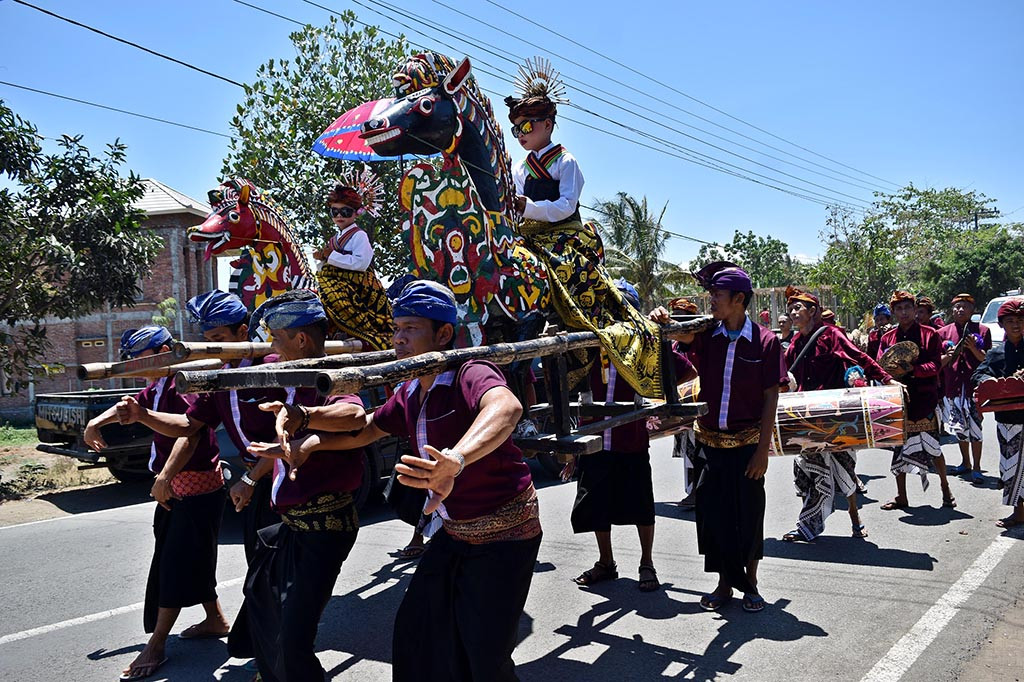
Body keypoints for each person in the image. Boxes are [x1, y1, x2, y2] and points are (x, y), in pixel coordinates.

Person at [266, 280, 541, 680]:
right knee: (415, 635)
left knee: (486, 656)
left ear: (443, 334)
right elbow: (364, 429)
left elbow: (506, 405)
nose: (398, 339)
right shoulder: (411, 390)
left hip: (507, 534)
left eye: (410, 329)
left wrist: (455, 460)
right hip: (456, 532)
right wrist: (309, 437)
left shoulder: (470, 370)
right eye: (396, 329)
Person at [505, 57, 664, 398]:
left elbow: (565, 205)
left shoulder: (566, 161)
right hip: (529, 237)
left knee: (573, 277)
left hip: (565, 236)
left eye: (527, 127)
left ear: (547, 124)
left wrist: (528, 207)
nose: (521, 135)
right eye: (516, 129)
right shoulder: (519, 167)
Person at [238, 290, 368, 682]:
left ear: (300, 340)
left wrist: (306, 417)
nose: (271, 347)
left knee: (293, 637)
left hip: (325, 528)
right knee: (263, 605)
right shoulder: (289, 376)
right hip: (291, 526)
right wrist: (249, 477)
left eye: (276, 338)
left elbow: (353, 415)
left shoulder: (331, 377)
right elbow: (280, 447)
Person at [84, 326, 227, 682]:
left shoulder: (183, 382)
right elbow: (131, 408)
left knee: (173, 565)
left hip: (195, 487)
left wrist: (163, 477)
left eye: (139, 357)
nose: (133, 364)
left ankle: (157, 644)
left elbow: (189, 435)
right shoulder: (157, 385)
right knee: (193, 556)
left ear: (165, 351)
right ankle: (216, 619)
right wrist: (96, 421)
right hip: (177, 488)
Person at [659, 261, 787, 614]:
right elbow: (676, 334)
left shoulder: (765, 342)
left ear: (739, 299)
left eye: (717, 294)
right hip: (709, 445)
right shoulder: (706, 334)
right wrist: (662, 319)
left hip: (747, 447)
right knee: (714, 519)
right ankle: (723, 584)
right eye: (711, 293)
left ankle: (751, 584)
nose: (710, 300)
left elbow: (770, 397)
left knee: (747, 516)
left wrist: (763, 451)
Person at [569, 281, 696, 593]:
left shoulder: (647, 344)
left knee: (641, 506)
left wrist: (660, 402)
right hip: (594, 438)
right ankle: (606, 563)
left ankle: (647, 562)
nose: (614, 314)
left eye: (621, 307)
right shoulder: (589, 340)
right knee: (597, 503)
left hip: (631, 439)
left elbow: (687, 372)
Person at [781, 287, 894, 542]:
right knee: (806, 472)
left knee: (845, 470)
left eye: (797, 308)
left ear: (812, 311)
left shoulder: (832, 335)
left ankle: (855, 519)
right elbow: (781, 372)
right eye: (790, 309)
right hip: (805, 419)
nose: (792, 312)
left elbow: (859, 357)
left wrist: (887, 379)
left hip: (836, 418)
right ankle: (806, 526)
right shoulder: (795, 343)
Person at [877, 290, 956, 510]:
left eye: (907, 308)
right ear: (893, 312)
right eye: (899, 309)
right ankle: (901, 496)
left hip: (924, 398)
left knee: (934, 448)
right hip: (898, 400)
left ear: (914, 310)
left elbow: (935, 365)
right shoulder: (887, 338)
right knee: (897, 448)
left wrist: (913, 369)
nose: (903, 312)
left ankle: (945, 488)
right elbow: (880, 366)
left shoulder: (930, 334)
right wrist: (890, 373)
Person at [314, 174, 393, 351]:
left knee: (333, 295)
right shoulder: (334, 238)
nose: (339, 215)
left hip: (359, 285)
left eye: (345, 211)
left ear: (357, 212)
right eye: (335, 212)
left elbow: (360, 263)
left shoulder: (360, 235)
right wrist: (323, 258)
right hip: (337, 281)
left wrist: (330, 256)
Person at [972, 298, 1024, 528]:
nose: (1016, 325)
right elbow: (978, 374)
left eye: (1021, 321)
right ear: (1002, 325)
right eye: (1011, 321)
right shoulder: (996, 354)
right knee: (1011, 467)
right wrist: (990, 381)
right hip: (1008, 421)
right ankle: (1019, 511)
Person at [938, 293, 992, 482]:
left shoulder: (983, 330)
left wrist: (973, 349)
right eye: (957, 307)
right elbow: (938, 363)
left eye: (964, 307)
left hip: (973, 387)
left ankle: (977, 467)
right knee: (960, 428)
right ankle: (965, 462)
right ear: (952, 310)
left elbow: (987, 359)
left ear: (971, 310)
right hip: (953, 387)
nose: (960, 310)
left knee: (975, 427)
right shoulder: (943, 333)